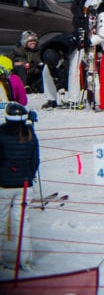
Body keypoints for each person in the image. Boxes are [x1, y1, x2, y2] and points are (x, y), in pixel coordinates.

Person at [0, 103, 39, 269]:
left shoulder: (1, 133)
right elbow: (35, 159)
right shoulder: (29, 133)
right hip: (24, 184)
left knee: (1, 221)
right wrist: (29, 175)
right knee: (22, 222)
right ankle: (25, 259)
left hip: (4, 185)